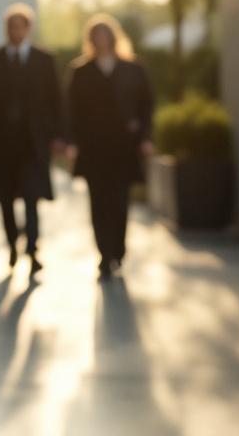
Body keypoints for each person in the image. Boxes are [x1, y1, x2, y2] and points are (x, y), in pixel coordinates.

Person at [0, 3, 63, 273]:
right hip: (1, 142)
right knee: (5, 196)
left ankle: (32, 249)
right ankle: (11, 242)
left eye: (20, 26)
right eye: (11, 26)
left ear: (28, 28)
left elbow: (57, 100)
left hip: (33, 142)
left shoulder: (44, 60)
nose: (15, 31)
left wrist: (58, 136)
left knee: (32, 196)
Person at [66, 14, 155, 280]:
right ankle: (104, 253)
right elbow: (70, 110)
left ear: (113, 37)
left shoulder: (133, 69)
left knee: (120, 199)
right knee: (98, 200)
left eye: (105, 35)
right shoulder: (81, 72)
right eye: (96, 36)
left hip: (123, 146)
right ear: (90, 40)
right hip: (93, 147)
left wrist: (146, 138)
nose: (101, 40)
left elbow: (146, 105)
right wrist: (71, 142)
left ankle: (118, 247)